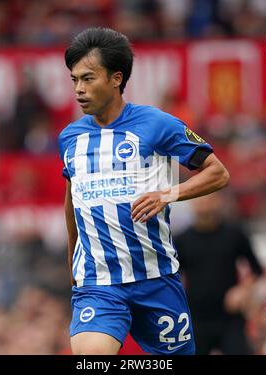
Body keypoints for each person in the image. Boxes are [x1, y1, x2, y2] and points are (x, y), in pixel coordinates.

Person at [58, 27, 230, 355]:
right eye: (74, 80)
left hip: (156, 277)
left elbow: (218, 173)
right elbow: (72, 198)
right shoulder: (70, 138)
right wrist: (72, 260)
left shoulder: (158, 124)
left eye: (88, 78)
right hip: (98, 283)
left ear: (116, 78)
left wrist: (168, 195)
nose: (79, 89)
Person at [173, 193, 264, 355]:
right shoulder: (181, 240)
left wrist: (243, 291)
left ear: (218, 202)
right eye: (199, 199)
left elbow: (257, 269)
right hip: (196, 317)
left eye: (209, 199)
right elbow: (174, 276)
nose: (204, 203)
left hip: (229, 318)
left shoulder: (234, 234)